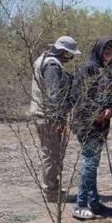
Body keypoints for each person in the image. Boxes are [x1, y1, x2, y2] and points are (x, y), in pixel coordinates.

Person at [70, 37, 112, 221]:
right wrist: (95, 112)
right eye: (107, 52)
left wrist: (109, 110)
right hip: (86, 125)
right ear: (99, 51)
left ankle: (94, 203)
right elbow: (76, 96)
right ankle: (81, 204)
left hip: (102, 126)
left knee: (92, 164)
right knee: (89, 164)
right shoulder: (87, 70)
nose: (110, 56)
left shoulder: (107, 73)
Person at [30, 36, 80, 202]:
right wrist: (59, 120)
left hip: (43, 114)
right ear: (64, 52)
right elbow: (53, 95)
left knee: (49, 153)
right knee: (52, 155)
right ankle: (51, 192)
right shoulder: (52, 65)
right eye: (70, 55)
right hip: (49, 116)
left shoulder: (43, 59)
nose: (70, 58)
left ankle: (51, 188)